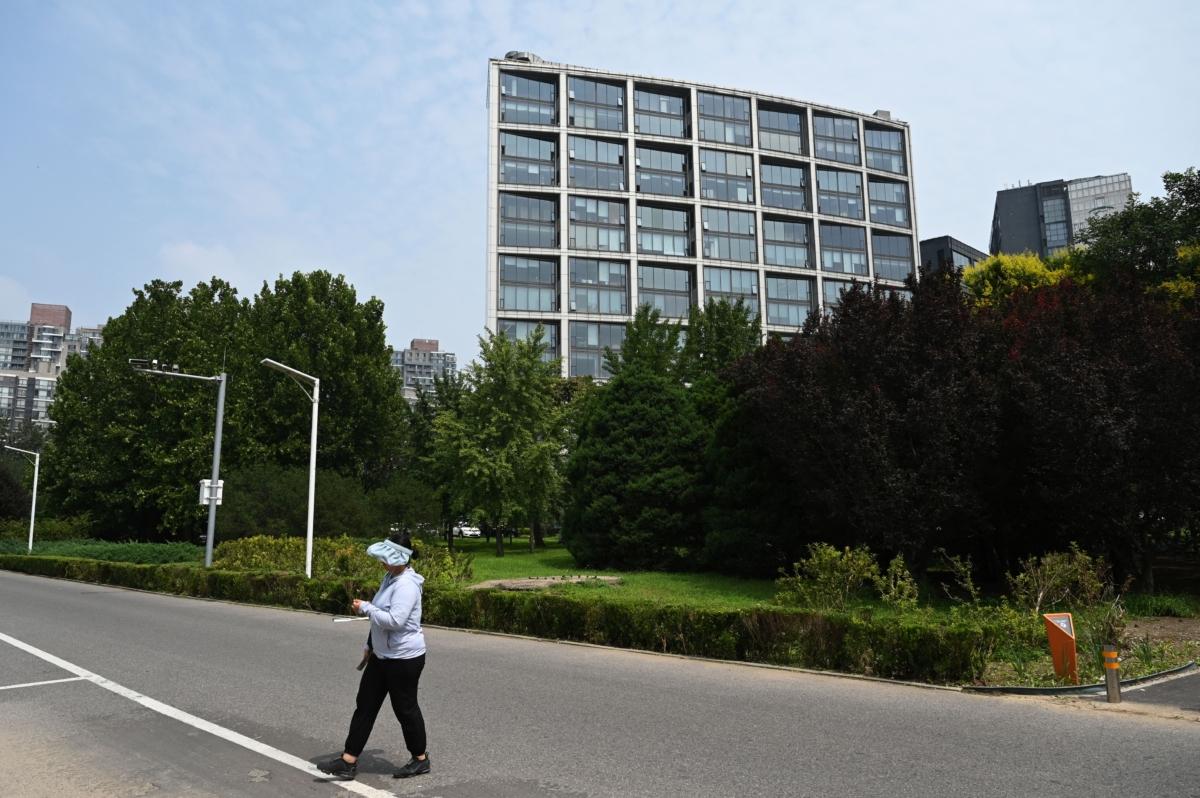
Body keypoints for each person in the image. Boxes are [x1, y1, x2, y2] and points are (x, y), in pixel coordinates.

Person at [319, 533, 431, 781]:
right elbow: (380, 618)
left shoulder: (406, 585)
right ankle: (348, 760)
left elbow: (394, 621)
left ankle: (420, 759)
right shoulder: (390, 577)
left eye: (387, 559)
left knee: (405, 709)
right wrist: (370, 644)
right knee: (366, 704)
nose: (383, 563)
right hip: (382, 656)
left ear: (401, 559)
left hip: (404, 658)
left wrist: (366, 608)